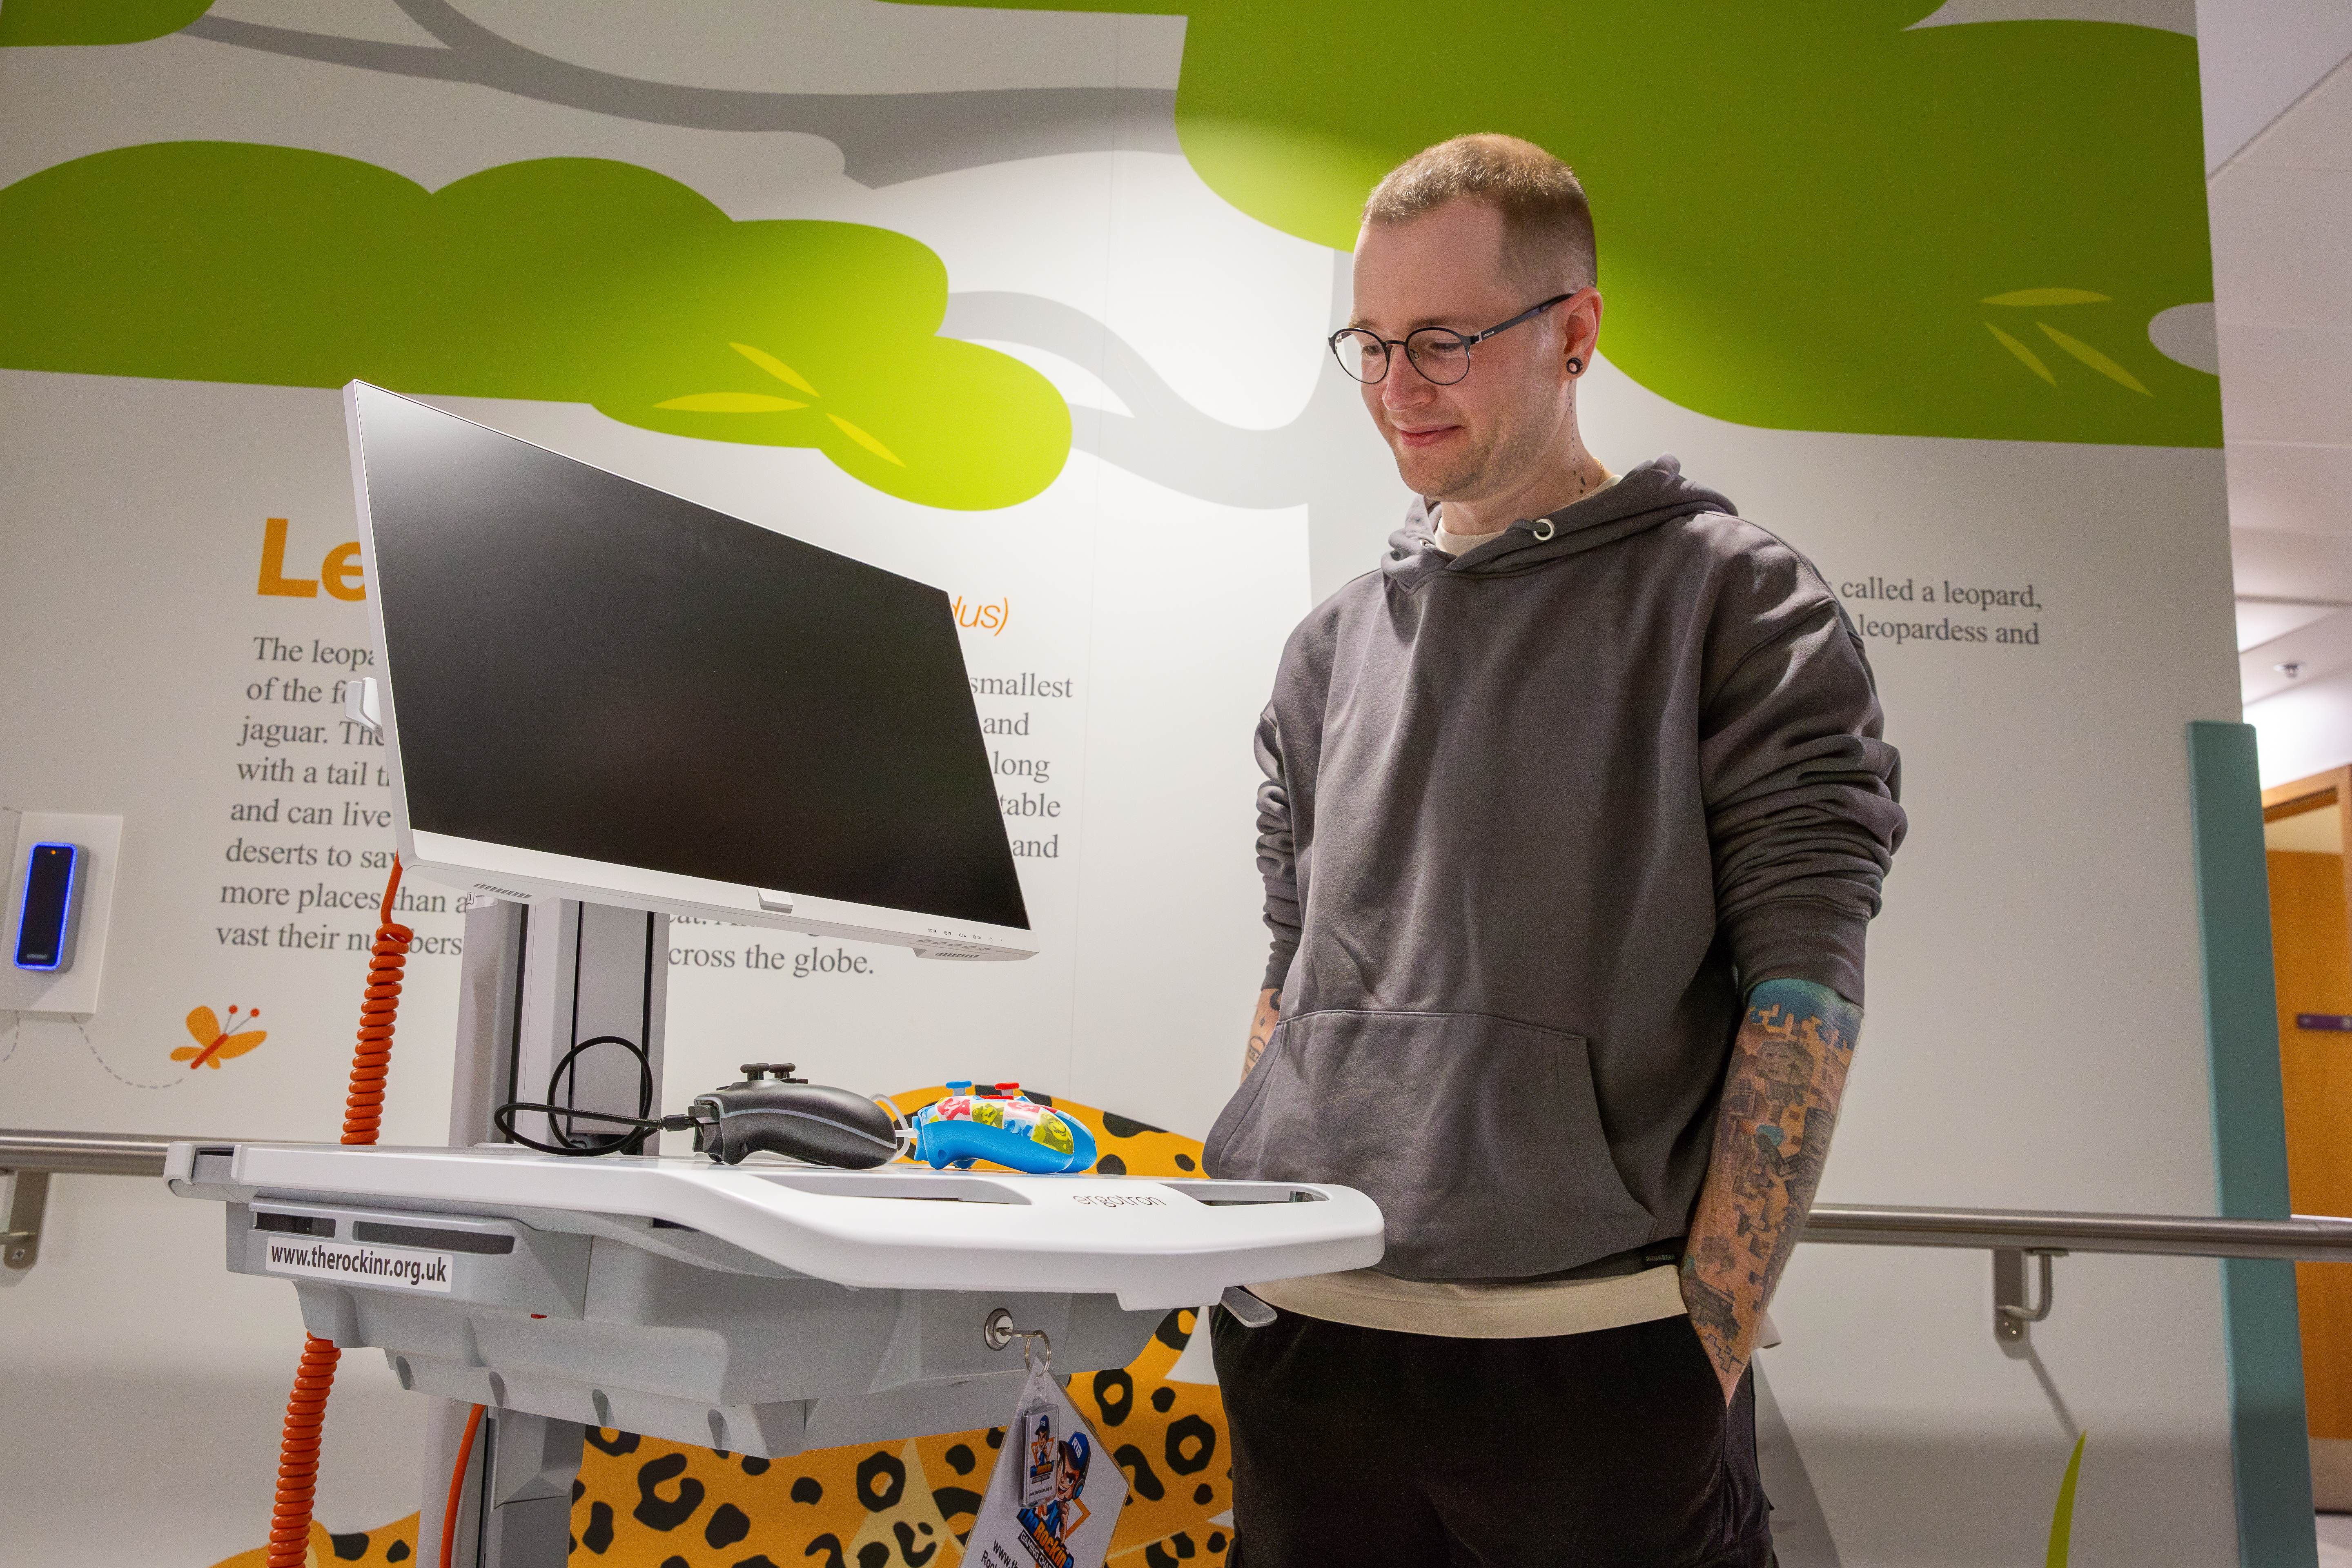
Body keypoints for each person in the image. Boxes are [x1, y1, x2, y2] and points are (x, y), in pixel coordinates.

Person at [1203, 134, 1905, 1567]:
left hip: (1593, 1366)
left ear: (1573, 331)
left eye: (1446, 341)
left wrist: (1702, 1342)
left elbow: (1804, 992)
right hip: (1308, 1348)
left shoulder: (1737, 604)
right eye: (1375, 343)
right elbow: (1290, 968)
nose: (1400, 388)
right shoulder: (1331, 646)